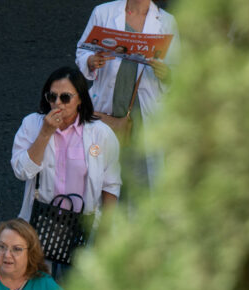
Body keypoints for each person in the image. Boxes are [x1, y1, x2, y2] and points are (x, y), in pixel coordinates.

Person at [10, 66, 120, 278]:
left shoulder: (101, 133)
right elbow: (21, 171)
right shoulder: (32, 124)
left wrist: (106, 234)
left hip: (81, 227)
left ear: (80, 99)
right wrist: (45, 133)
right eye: (52, 97)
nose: (57, 103)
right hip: (41, 222)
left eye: (65, 97)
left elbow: (111, 185)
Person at [76, 0, 180, 181]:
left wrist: (166, 74)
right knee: (100, 171)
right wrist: (90, 61)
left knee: (141, 174)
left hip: (144, 112)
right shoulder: (103, 12)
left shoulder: (167, 21)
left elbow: (179, 68)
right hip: (109, 104)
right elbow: (82, 50)